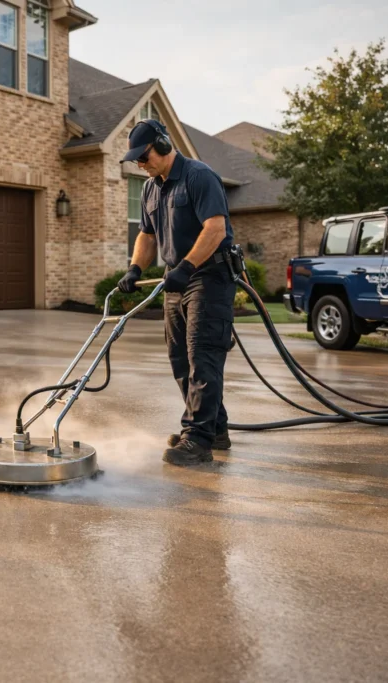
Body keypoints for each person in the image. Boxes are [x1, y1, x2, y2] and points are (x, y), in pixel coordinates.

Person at [117, 120, 236, 465]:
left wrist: (187, 266)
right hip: (177, 280)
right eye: (135, 160)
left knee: (203, 356)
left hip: (209, 276)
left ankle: (197, 440)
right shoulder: (152, 189)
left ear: (164, 145)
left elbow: (216, 228)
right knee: (180, 359)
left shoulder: (200, 176)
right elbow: (147, 236)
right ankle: (215, 430)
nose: (140, 163)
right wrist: (134, 268)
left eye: (144, 156)